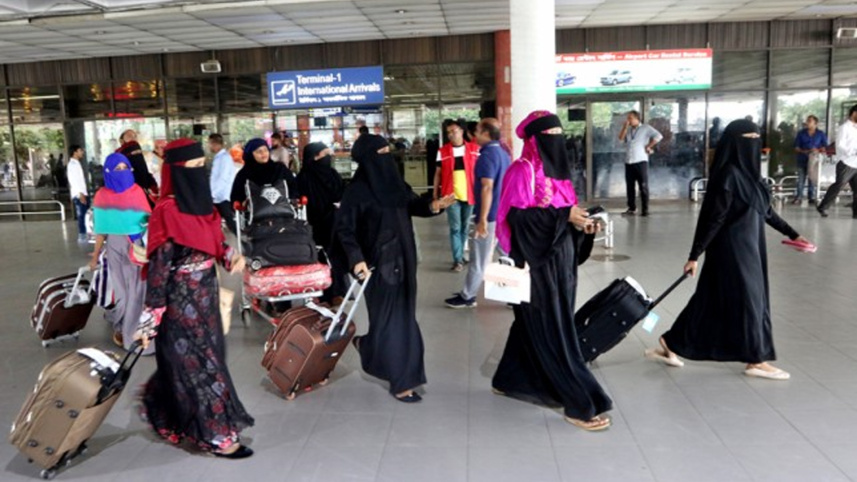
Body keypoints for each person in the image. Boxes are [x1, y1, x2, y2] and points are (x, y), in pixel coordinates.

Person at [648, 119, 813, 381]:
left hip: (751, 249)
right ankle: (756, 359)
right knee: (751, 301)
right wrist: (694, 255)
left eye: (756, 138)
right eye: (748, 139)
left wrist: (794, 235)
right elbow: (713, 219)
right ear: (735, 143)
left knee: (710, 299)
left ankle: (671, 342)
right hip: (731, 250)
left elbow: (767, 212)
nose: (754, 143)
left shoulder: (753, 178)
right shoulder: (728, 175)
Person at [491, 111, 611, 432]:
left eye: (560, 133)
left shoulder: (559, 175)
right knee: (554, 331)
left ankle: (508, 378)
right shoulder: (522, 171)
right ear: (534, 140)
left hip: (561, 265)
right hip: (537, 266)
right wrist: (563, 216)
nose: (556, 140)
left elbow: (565, 214)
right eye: (550, 135)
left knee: (531, 324)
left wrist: (581, 225)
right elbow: (516, 219)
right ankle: (579, 402)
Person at [136, 138, 254, 459]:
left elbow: (212, 244)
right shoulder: (166, 211)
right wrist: (150, 317)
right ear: (177, 170)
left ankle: (171, 412)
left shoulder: (204, 206)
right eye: (194, 167)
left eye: (202, 165)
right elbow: (159, 267)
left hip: (206, 300)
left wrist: (230, 256)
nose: (200, 172)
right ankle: (218, 436)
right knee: (202, 366)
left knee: (200, 362)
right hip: (180, 305)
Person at [333, 134, 454, 402]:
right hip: (376, 266)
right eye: (381, 152)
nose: (387, 156)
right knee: (395, 321)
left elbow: (411, 204)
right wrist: (356, 259)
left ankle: (368, 346)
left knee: (398, 317)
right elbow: (344, 229)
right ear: (368, 158)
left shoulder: (394, 183)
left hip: (405, 259)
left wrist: (433, 205)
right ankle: (403, 381)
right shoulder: (356, 192)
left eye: (388, 150)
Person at [88, 153, 152, 352]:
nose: (123, 172)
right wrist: (95, 255)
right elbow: (101, 230)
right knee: (122, 293)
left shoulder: (137, 191)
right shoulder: (102, 196)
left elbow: (148, 221)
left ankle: (132, 332)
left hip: (136, 246)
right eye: (118, 169)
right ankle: (120, 324)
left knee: (137, 291)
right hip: (114, 247)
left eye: (126, 168)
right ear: (108, 172)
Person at [445, 118, 511, 308]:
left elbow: (487, 187)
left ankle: (468, 296)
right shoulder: (503, 153)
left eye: (477, 131)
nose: (473, 135)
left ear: (486, 134)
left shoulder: (487, 155)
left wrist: (482, 219)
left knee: (480, 258)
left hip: (490, 216)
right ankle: (514, 295)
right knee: (506, 254)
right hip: (502, 213)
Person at [433, 120, 480, 271]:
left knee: (465, 227)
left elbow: (480, 172)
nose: (451, 134)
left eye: (454, 131)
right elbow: (438, 174)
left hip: (470, 194)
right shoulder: (443, 151)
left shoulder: (474, 149)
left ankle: (460, 256)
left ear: (462, 131)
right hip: (450, 196)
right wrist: (435, 194)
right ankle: (458, 260)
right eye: (448, 132)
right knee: (455, 228)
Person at [297, 142, 344, 249]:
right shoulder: (304, 178)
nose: (329, 157)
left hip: (338, 224)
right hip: (315, 227)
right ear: (315, 157)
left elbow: (342, 192)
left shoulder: (333, 174)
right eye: (325, 154)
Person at [618, 111, 662, 216]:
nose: (628, 120)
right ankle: (632, 208)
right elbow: (620, 139)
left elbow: (659, 136)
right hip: (629, 161)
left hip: (641, 161)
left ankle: (645, 209)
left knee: (643, 186)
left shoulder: (645, 128)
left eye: (630, 118)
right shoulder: (628, 130)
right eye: (628, 118)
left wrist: (649, 146)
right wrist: (624, 127)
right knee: (630, 186)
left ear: (637, 118)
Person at [230, 138, 298, 204]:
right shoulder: (244, 174)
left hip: (282, 209)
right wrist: (242, 202)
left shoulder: (279, 169)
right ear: (250, 154)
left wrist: (293, 198)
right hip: (254, 211)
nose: (263, 153)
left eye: (266, 150)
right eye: (259, 151)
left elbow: (293, 186)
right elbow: (236, 196)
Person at [818, 105, 857, 219]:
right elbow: (839, 145)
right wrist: (853, 151)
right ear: (854, 113)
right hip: (846, 162)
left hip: (856, 162)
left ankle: (856, 212)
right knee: (839, 185)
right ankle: (823, 206)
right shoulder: (844, 128)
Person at [793, 115, 828, 205]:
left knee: (812, 178)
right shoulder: (801, 133)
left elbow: (825, 147)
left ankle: (811, 196)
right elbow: (796, 147)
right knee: (801, 178)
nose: (807, 122)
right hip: (802, 159)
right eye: (807, 121)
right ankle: (799, 197)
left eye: (809, 121)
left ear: (815, 123)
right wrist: (804, 151)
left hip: (814, 160)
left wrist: (817, 150)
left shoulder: (820, 134)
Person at [117, 132, 159, 206]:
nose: (133, 138)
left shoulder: (149, 180)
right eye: (129, 136)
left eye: (135, 136)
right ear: (121, 140)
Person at [208, 133, 237, 234]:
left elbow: (222, 178)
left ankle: (243, 239)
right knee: (218, 221)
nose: (209, 146)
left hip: (222, 195)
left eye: (210, 144)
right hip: (219, 195)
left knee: (229, 220)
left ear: (215, 144)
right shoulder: (219, 158)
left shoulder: (224, 158)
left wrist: (213, 194)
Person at [66, 145, 89, 244]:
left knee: (84, 215)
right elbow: (74, 181)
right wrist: (80, 194)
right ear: (75, 152)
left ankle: (85, 234)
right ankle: (82, 235)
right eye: (80, 150)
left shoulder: (76, 163)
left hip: (82, 193)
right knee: (82, 215)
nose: (82, 152)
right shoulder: (73, 165)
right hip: (79, 194)